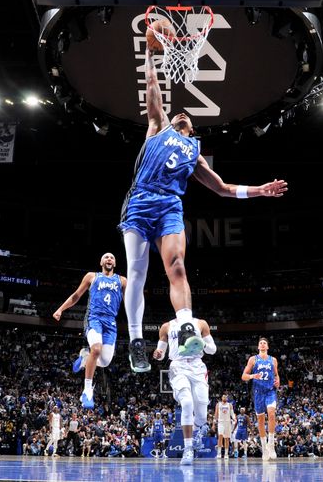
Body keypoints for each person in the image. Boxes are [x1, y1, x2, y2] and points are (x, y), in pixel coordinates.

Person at [120, 48, 288, 373]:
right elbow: (152, 89)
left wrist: (260, 191)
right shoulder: (158, 127)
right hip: (141, 201)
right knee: (138, 275)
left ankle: (185, 327)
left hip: (170, 205)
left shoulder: (194, 153)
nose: (181, 113)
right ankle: (137, 341)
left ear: (192, 129)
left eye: (187, 116)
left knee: (178, 267)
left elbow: (222, 188)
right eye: (178, 112)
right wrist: (151, 59)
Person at [53, 252, 126, 408]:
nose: (109, 259)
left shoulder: (122, 281)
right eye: (106, 257)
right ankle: (87, 391)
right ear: (101, 262)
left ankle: (85, 357)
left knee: (105, 362)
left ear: (115, 263)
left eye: (112, 257)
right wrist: (60, 309)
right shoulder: (92, 276)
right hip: (94, 318)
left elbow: (131, 303)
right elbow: (76, 295)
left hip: (111, 323)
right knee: (97, 349)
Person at [152, 314, 217, 465]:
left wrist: (202, 344)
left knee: (201, 411)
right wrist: (158, 354)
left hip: (198, 367)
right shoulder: (167, 326)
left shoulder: (200, 323)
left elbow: (212, 350)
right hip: (178, 365)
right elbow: (160, 354)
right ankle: (188, 449)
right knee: (187, 403)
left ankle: (198, 430)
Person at [241, 337, 281, 460]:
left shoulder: (273, 360)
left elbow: (276, 374)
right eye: (261, 343)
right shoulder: (253, 359)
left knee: (272, 414)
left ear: (267, 347)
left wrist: (278, 381)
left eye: (265, 343)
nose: (263, 345)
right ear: (258, 347)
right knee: (261, 420)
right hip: (258, 393)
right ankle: (264, 448)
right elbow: (244, 376)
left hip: (270, 391)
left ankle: (271, 445)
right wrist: (253, 375)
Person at [214, 394, 235, 459]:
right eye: (223, 396)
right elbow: (216, 413)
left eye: (226, 397)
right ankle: (219, 453)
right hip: (221, 422)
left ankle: (226, 454)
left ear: (227, 398)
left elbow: (232, 413)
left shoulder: (230, 405)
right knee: (220, 436)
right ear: (221, 397)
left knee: (226, 438)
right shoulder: (218, 404)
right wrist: (214, 422)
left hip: (228, 422)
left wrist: (234, 418)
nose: (225, 397)